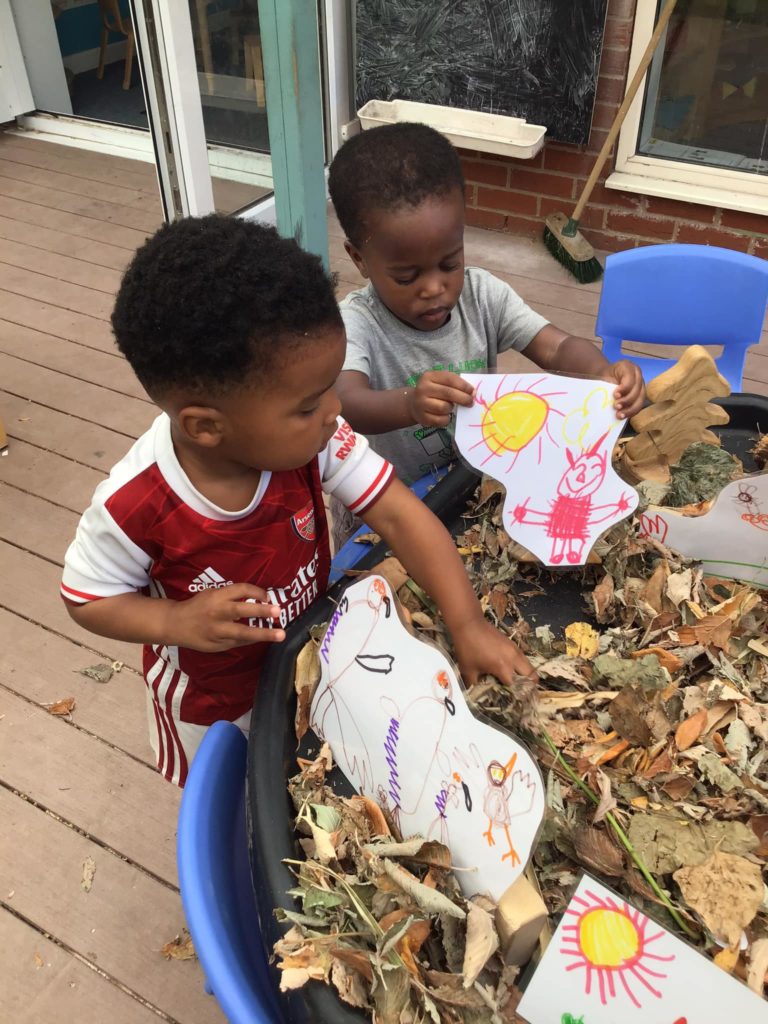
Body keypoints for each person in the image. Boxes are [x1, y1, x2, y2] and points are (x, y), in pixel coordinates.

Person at [60, 215, 535, 787]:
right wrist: (175, 620)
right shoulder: (133, 505)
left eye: (331, 387)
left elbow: (400, 513)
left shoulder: (317, 440)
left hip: (311, 659)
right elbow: (86, 598)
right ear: (206, 427)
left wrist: (468, 624)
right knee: (232, 796)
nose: (335, 409)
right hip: (213, 710)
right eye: (310, 404)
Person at [327, 122, 646, 549]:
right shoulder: (356, 323)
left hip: (469, 489)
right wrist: (409, 403)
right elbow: (345, 402)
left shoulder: (482, 296)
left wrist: (604, 375)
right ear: (359, 259)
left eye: (450, 263)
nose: (434, 287)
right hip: (382, 508)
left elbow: (554, 346)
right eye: (407, 276)